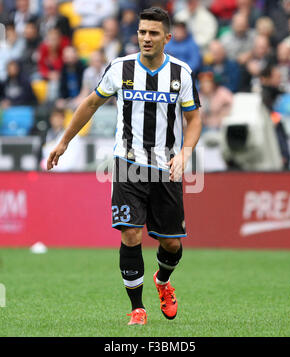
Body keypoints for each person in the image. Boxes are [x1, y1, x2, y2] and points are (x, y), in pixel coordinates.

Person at [46, 7, 202, 325]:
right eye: (142, 31)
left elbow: (193, 117)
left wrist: (185, 152)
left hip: (165, 167)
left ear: (167, 38)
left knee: (171, 243)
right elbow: (90, 103)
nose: (146, 37)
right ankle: (137, 309)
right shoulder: (121, 68)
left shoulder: (181, 73)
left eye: (153, 33)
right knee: (130, 235)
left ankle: (162, 281)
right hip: (128, 165)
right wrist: (64, 141)